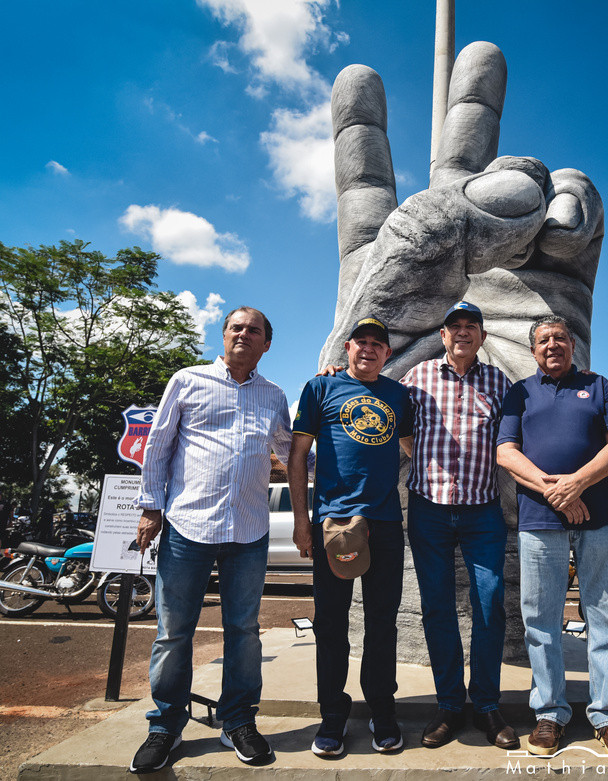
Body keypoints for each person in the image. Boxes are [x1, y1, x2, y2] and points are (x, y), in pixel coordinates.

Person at [129, 307, 292, 774]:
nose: (244, 334)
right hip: (188, 527)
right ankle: (166, 726)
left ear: (266, 344)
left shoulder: (274, 395)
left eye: (254, 330)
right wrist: (150, 507)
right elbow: (158, 445)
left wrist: (344, 473)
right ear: (223, 336)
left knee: (244, 631)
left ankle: (237, 721)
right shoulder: (187, 380)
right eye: (236, 327)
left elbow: (289, 450)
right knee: (173, 631)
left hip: (249, 530)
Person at [496, 315, 608, 763]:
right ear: (533, 350)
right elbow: (506, 452)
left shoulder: (598, 386)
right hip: (539, 520)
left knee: (607, 617)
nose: (552, 345)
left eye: (560, 337)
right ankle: (550, 713)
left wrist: (577, 483)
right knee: (540, 621)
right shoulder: (520, 392)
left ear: (572, 345)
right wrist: (555, 491)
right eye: (544, 340)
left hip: (599, 519)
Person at [288, 315, 413, 757]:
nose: (369, 348)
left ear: (387, 353)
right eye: (362, 341)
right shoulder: (320, 388)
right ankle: (333, 714)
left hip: (385, 523)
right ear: (348, 348)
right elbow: (297, 457)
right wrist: (302, 522)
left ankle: (382, 709)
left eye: (378, 343)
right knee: (330, 622)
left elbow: (413, 446)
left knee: (382, 622)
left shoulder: (398, 395)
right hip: (335, 523)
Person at [398, 301, 517, 750]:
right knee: (437, 607)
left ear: (481, 336)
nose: (463, 332)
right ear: (443, 335)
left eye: (471, 326)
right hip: (428, 509)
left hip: (482, 511)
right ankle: (449, 704)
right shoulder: (418, 376)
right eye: (455, 327)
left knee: (490, 604)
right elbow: (394, 418)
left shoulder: (499, 383)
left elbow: (514, 436)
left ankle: (486, 704)